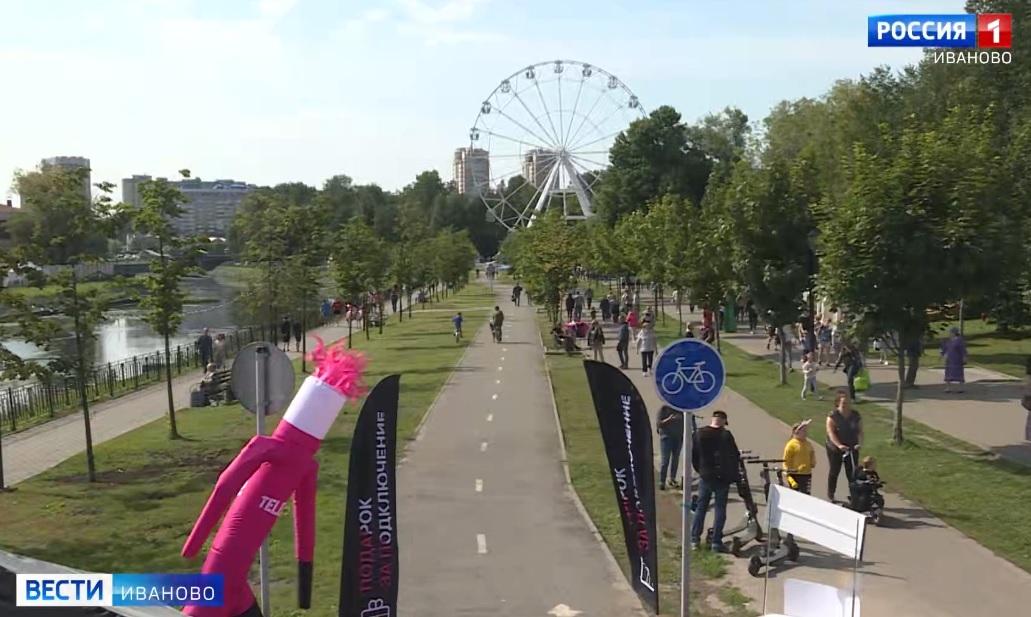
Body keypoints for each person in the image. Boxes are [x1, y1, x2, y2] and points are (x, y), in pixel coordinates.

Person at [690, 410, 741, 552]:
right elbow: (734, 455)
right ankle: (716, 542)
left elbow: (694, 455)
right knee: (720, 509)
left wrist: (701, 470)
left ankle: (694, 540)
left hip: (706, 475)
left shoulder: (699, 434)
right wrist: (733, 475)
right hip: (722, 477)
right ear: (723, 421)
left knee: (701, 508)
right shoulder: (726, 435)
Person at [825, 390, 863, 503]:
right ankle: (831, 494)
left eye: (848, 403)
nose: (846, 406)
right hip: (835, 448)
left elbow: (860, 432)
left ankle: (854, 496)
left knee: (852, 472)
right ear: (838, 404)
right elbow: (831, 432)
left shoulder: (856, 416)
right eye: (843, 404)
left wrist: (859, 443)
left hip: (852, 447)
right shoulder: (833, 416)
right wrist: (839, 445)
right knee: (834, 470)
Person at [783, 420, 816, 494]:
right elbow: (786, 459)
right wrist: (787, 470)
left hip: (806, 473)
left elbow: (812, 453)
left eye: (806, 431)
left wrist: (812, 462)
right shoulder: (791, 445)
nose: (805, 433)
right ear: (797, 432)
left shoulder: (808, 444)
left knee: (806, 494)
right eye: (803, 431)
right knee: (795, 493)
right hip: (795, 474)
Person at [656, 404, 684, 490]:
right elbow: (659, 424)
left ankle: (672, 479)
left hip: (678, 438)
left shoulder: (681, 409)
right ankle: (662, 481)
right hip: (666, 437)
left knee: (675, 459)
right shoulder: (664, 409)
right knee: (665, 461)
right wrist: (669, 419)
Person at [941, 326, 967, 393]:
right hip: (949, 360)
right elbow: (945, 348)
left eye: (950, 332)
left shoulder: (959, 340)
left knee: (959, 373)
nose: (949, 333)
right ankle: (948, 388)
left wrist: (964, 357)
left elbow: (963, 350)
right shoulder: (949, 340)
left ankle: (961, 388)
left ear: (954, 332)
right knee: (948, 373)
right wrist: (943, 354)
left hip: (957, 359)